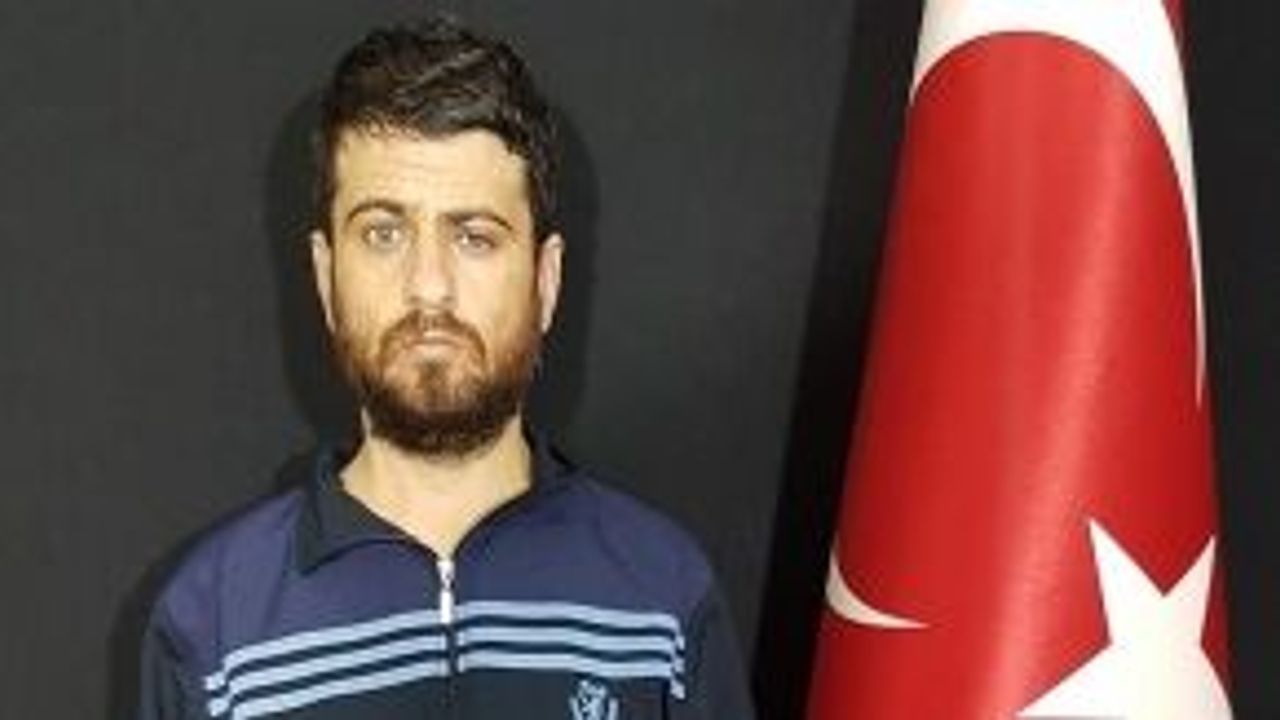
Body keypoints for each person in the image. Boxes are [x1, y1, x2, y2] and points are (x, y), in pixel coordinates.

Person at [136, 16, 754, 720]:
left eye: (474, 237)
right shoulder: (213, 626)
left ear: (546, 281)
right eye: (383, 233)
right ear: (325, 275)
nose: (428, 286)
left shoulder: (662, 598)